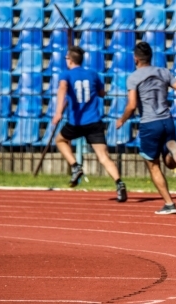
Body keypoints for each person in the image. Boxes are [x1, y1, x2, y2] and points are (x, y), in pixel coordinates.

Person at [116, 42, 176, 215]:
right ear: (150, 57)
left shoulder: (133, 77)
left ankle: (169, 204)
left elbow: (131, 105)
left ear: (135, 58)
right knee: (169, 164)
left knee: (154, 166)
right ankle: (172, 154)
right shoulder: (163, 72)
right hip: (167, 121)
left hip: (149, 123)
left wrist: (122, 120)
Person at [51, 46, 127, 202]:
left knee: (60, 140)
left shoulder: (66, 74)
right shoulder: (93, 74)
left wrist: (58, 111)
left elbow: (62, 89)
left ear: (70, 60)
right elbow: (101, 93)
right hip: (94, 121)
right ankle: (119, 183)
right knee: (104, 156)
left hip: (76, 122)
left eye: (66, 58)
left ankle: (75, 166)